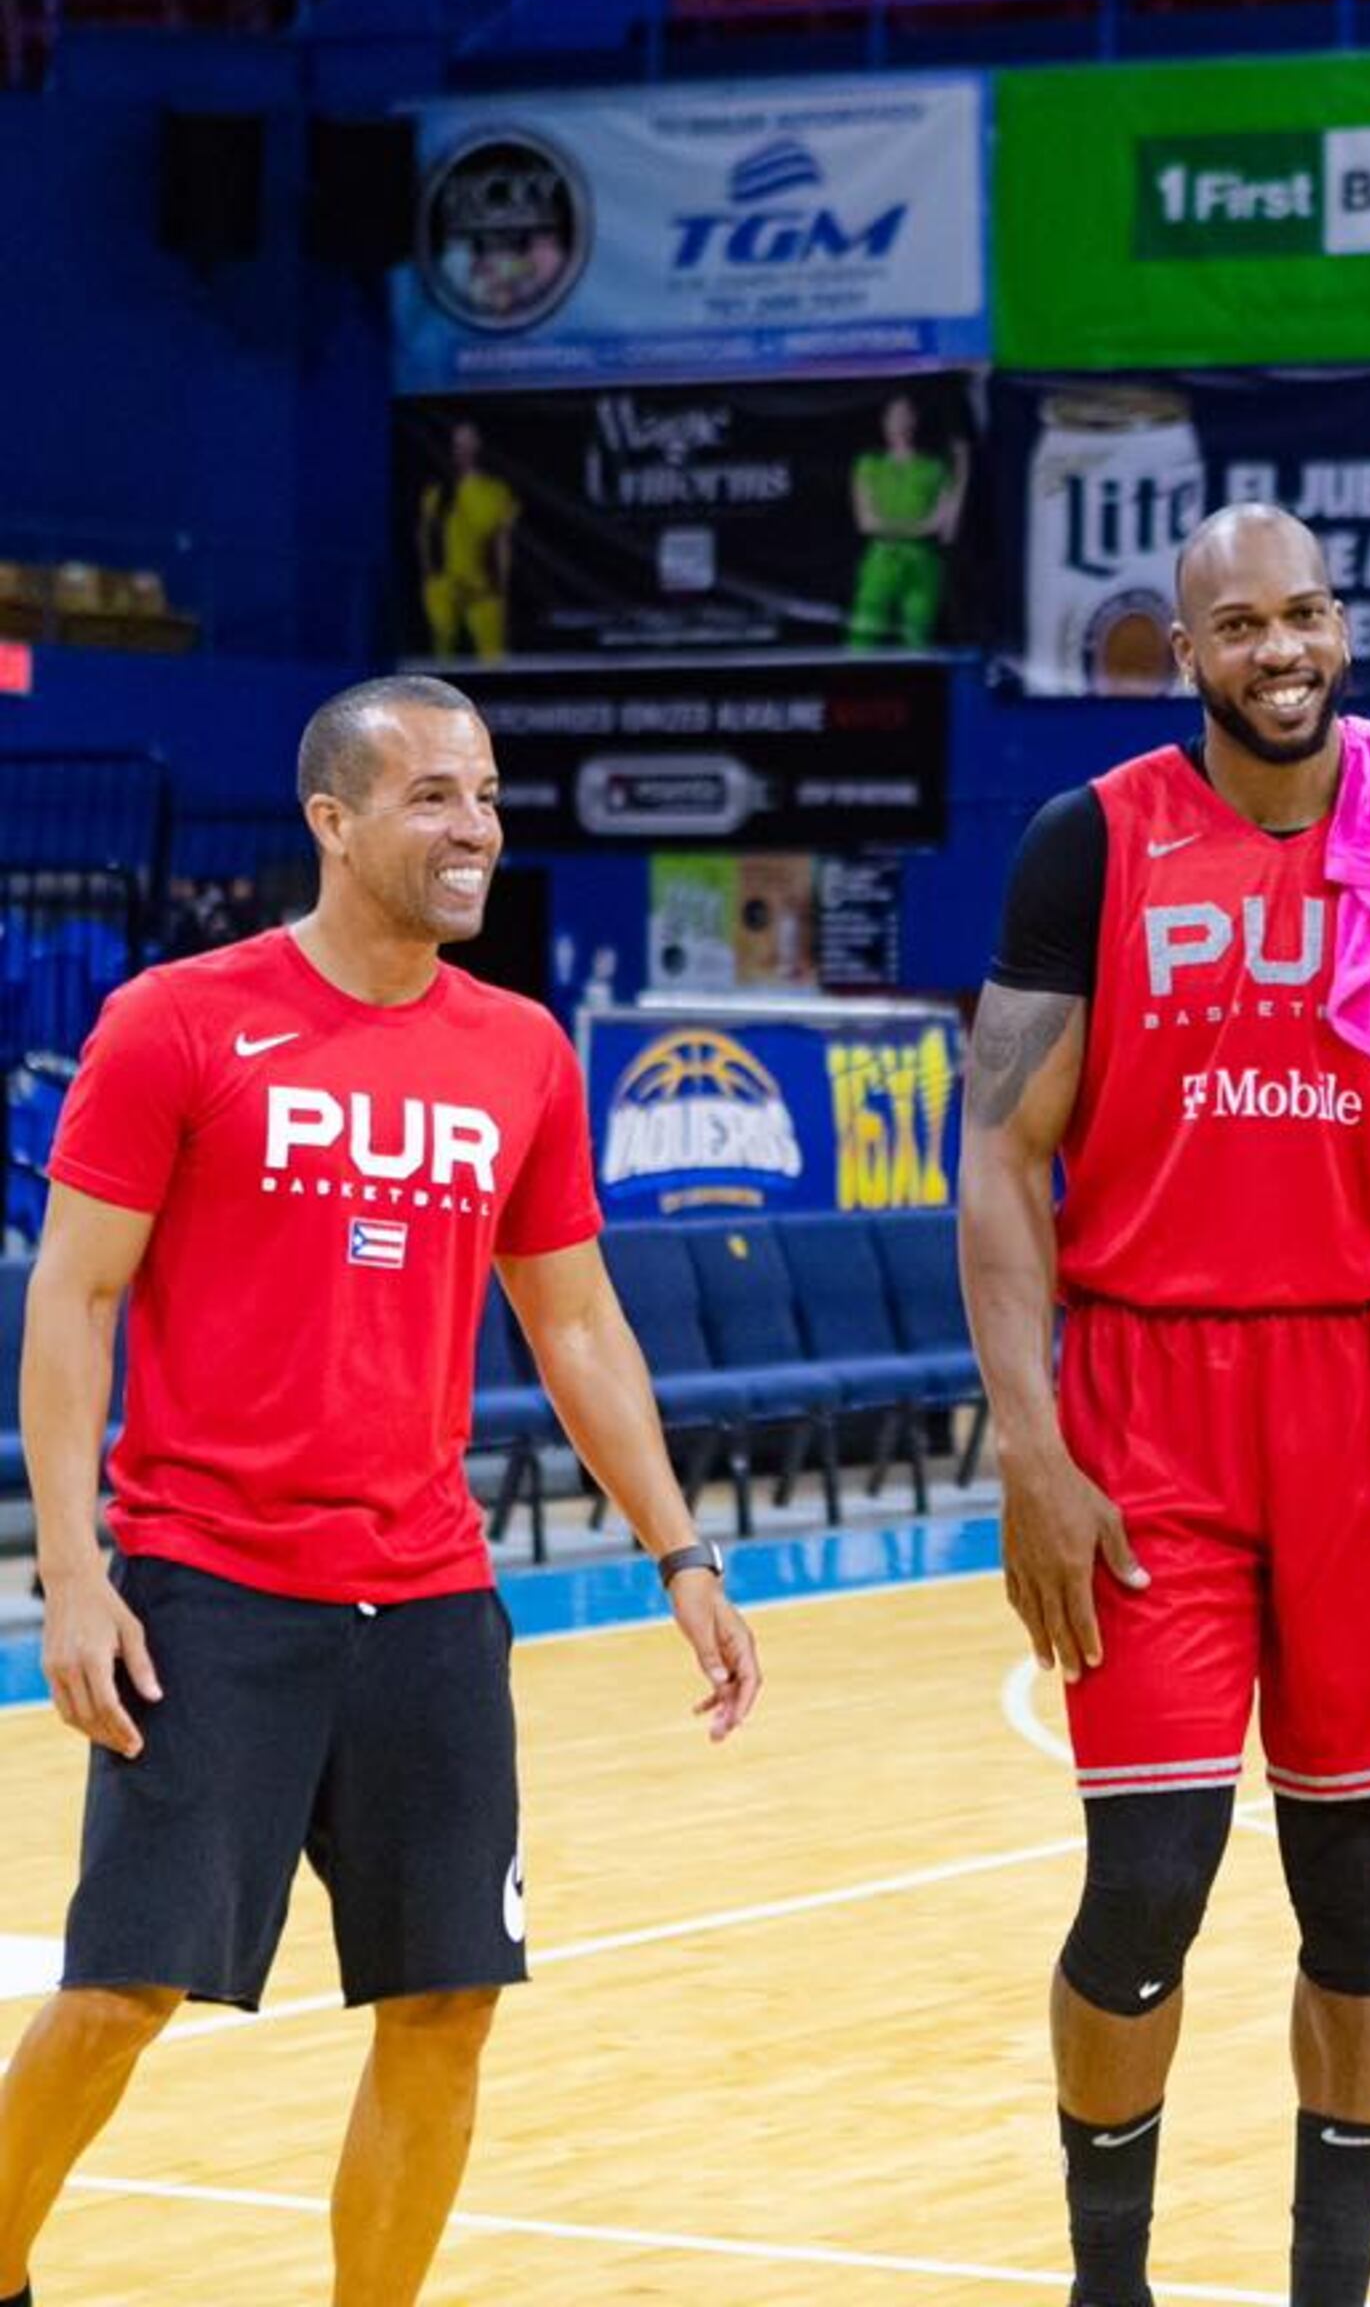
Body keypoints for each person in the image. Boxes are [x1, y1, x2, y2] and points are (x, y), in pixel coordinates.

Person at [0, 673, 762, 2307]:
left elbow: (574, 1320)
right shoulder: (180, 1023)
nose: (473, 826)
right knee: (123, 1984)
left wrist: (682, 1550)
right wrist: (74, 1570)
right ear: (333, 822)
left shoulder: (521, 1053)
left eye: (483, 795)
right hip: (207, 1582)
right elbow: (70, 1298)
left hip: (424, 1591)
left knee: (445, 1998)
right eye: (432, 796)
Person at [959, 502, 1370, 2307]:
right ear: (1185, 648)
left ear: (1340, 625)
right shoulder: (1093, 842)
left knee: (1359, 1893)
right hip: (1147, 1399)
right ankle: (1108, 2285)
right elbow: (998, 1147)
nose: (1279, 650)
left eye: (1304, 614)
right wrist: (1031, 1443)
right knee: (1145, 1888)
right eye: (1240, 625)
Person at [849, 390, 968, 650]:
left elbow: (944, 525)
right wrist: (920, 527)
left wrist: (962, 466)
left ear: (915, 420)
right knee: (864, 633)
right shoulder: (869, 464)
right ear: (884, 422)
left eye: (905, 416)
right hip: (881, 560)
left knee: (918, 637)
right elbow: (867, 522)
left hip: (923, 563)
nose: (900, 423)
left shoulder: (934, 467)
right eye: (894, 416)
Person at [417, 420, 518, 661]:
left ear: (480, 445)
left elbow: (502, 542)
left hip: (483, 587)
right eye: (458, 443)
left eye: (469, 442)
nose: (463, 449)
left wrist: (501, 586)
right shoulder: (437, 492)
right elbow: (424, 534)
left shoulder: (496, 491)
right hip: (445, 584)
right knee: (443, 650)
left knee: (492, 657)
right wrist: (430, 577)